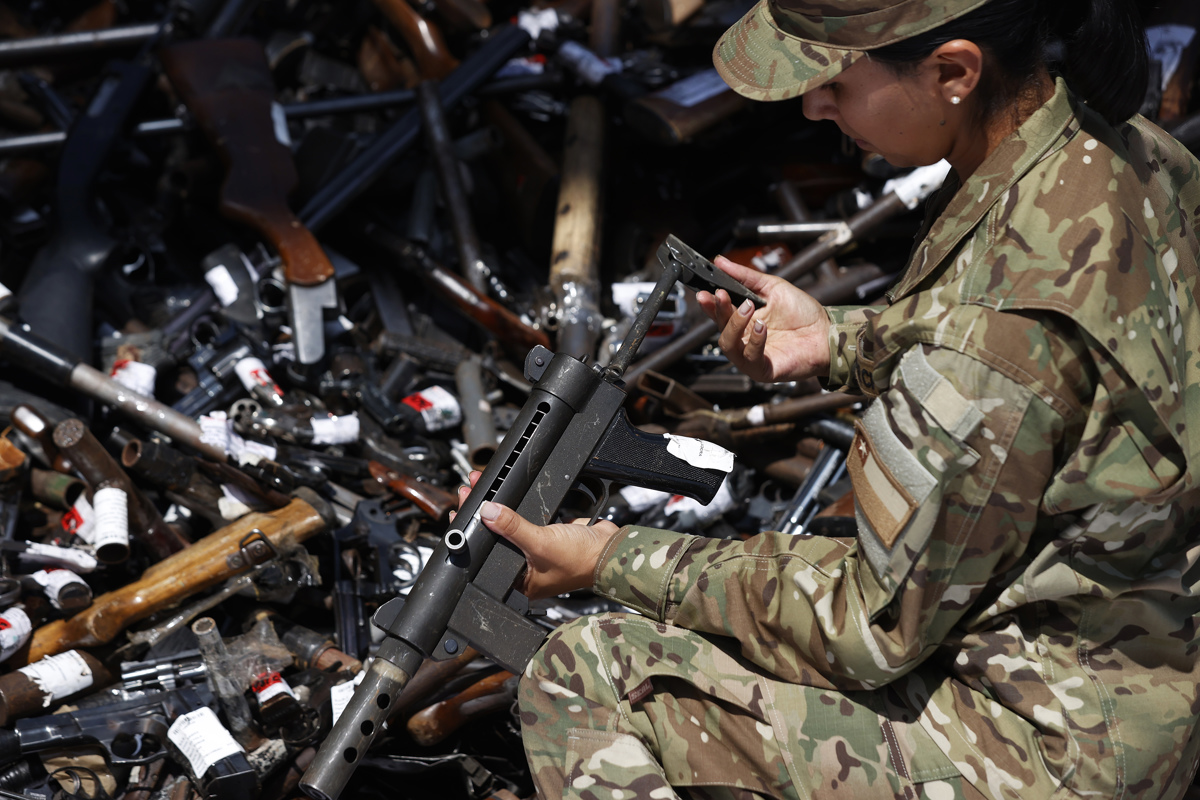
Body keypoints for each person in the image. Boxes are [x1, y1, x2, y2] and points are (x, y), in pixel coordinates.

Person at [460, 0, 1200, 796]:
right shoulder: (1126, 150)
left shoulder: (990, 342)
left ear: (954, 71)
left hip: (1050, 746)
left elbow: (866, 628)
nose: (814, 106)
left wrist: (609, 558)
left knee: (585, 670)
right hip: (1149, 673)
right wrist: (840, 341)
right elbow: (1043, 356)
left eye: (836, 83)